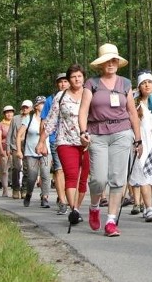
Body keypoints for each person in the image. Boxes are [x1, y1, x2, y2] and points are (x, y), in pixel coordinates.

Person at [78, 43, 143, 238]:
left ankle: (111, 220)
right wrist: (83, 131)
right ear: (100, 64)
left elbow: (132, 112)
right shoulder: (92, 83)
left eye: (114, 60)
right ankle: (95, 206)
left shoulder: (124, 83)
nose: (111, 63)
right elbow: (83, 110)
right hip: (97, 133)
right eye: (107, 60)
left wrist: (138, 139)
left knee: (117, 178)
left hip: (122, 132)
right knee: (99, 179)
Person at [40, 65, 91, 227]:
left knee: (84, 179)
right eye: (73, 77)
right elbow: (51, 120)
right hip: (65, 141)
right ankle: (74, 210)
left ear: (84, 78)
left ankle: (77, 208)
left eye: (79, 76)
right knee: (71, 175)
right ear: (69, 80)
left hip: (87, 142)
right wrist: (42, 141)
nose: (77, 79)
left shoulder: (90, 95)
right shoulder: (60, 97)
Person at [125, 70, 152, 221]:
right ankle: (149, 208)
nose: (147, 85)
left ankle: (147, 204)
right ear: (139, 86)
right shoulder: (134, 102)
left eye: (149, 82)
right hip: (141, 141)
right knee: (143, 174)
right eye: (143, 83)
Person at [40, 74, 70, 214]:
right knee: (59, 169)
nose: (63, 84)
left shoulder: (76, 97)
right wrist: (43, 142)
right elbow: (44, 122)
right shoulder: (50, 100)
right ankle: (62, 200)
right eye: (60, 82)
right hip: (55, 139)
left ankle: (65, 196)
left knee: (70, 171)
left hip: (72, 139)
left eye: (65, 81)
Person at [17, 97, 51, 208]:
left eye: (45, 104)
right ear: (36, 106)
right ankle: (29, 194)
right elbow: (19, 135)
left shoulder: (49, 118)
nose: (44, 106)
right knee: (32, 176)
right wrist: (18, 150)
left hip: (45, 151)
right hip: (31, 152)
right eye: (42, 104)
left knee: (45, 174)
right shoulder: (29, 118)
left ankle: (45, 197)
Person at [7, 106, 27, 199]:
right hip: (15, 145)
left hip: (27, 146)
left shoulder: (31, 118)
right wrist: (8, 147)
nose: (25, 109)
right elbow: (9, 133)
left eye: (27, 107)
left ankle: (24, 189)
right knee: (16, 168)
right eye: (23, 107)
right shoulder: (15, 119)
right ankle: (15, 189)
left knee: (27, 169)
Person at [0, 105, 15, 197]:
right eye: (7, 112)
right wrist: (1, 150)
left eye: (11, 112)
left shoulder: (16, 122)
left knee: (15, 169)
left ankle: (16, 188)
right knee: (4, 170)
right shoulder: (1, 124)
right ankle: (5, 189)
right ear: (4, 114)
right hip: (3, 148)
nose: (9, 114)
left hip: (14, 148)